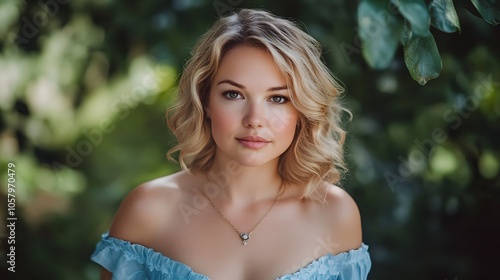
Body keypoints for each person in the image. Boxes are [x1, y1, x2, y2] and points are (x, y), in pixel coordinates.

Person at [91, 8, 371, 280]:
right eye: (234, 94)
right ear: (206, 101)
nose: (255, 120)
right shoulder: (149, 210)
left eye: (277, 98)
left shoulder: (335, 214)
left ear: (301, 111)